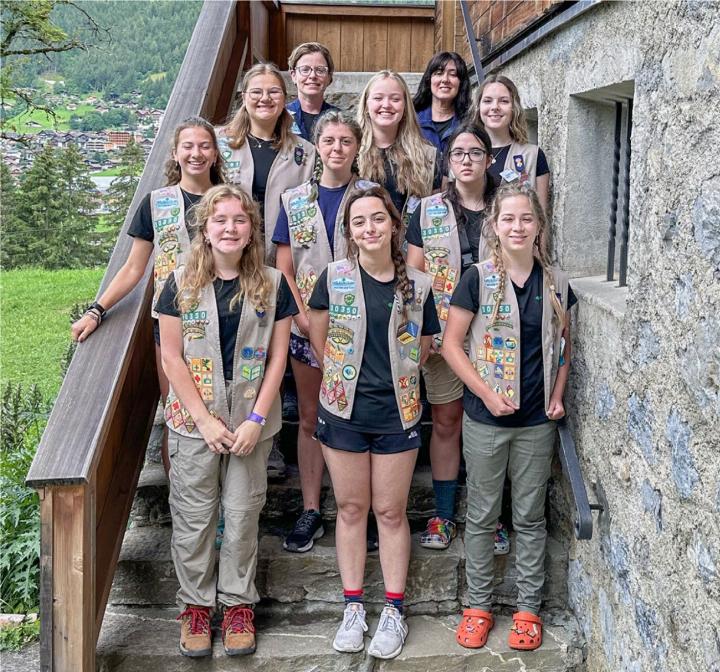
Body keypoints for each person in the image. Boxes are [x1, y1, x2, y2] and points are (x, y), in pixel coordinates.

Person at [156, 184, 297, 657]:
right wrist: (203, 421)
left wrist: (257, 418)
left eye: (239, 220)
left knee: (240, 516)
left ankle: (237, 604)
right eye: (220, 220)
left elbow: (279, 358)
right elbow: (172, 358)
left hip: (250, 427)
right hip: (194, 424)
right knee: (194, 519)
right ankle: (196, 606)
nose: (230, 228)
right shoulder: (179, 282)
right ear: (205, 228)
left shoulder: (273, 284)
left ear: (251, 228)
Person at [442, 183, 576, 652]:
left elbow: (563, 347)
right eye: (508, 219)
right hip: (485, 420)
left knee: (530, 517)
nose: (517, 227)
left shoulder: (556, 282)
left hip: (536, 423)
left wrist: (557, 395)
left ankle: (528, 609)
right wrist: (485, 393)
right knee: (481, 515)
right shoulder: (476, 278)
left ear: (539, 226)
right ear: (494, 227)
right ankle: (477, 606)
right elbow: (452, 346)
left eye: (526, 219)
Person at [308, 186, 440, 659]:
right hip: (343, 411)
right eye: (359, 221)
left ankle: (393, 609)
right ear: (349, 231)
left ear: (393, 225)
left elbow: (425, 345)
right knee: (350, 509)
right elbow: (319, 333)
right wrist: (339, 374)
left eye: (378, 219)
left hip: (397, 413)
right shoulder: (334, 276)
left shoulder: (419, 285)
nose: (369, 229)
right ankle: (352, 606)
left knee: (389, 511)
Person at [71, 116, 224, 475]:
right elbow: (133, 269)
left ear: (215, 153)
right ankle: (182, 502)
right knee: (177, 408)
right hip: (172, 323)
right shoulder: (156, 203)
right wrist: (97, 310)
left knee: (224, 405)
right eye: (188, 146)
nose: (196, 154)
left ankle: (218, 503)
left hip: (227, 320)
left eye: (204, 146)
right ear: (175, 153)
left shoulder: (229, 201)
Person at [272, 110, 362, 552]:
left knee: (356, 417)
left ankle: (355, 510)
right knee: (310, 417)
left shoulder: (370, 197)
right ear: (318, 147)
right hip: (306, 324)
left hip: (361, 328)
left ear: (356, 148)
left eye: (346, 141)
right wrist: (304, 318)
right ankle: (310, 509)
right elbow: (284, 266)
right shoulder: (295, 200)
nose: (337, 149)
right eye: (330, 141)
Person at [405, 123, 496, 552]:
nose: (466, 160)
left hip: (496, 339)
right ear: (448, 161)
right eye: (458, 153)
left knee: (489, 428)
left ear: (488, 159)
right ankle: (443, 515)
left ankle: (488, 516)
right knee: (446, 422)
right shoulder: (427, 210)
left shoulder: (507, 206)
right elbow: (413, 276)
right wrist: (427, 328)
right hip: (443, 339)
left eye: (475, 153)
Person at [217, 62, 316, 263]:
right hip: (225, 258)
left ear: (285, 99)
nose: (265, 98)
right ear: (244, 97)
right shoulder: (219, 143)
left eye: (273, 92)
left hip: (280, 260)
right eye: (256, 92)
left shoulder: (305, 152)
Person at [356, 70, 438, 220]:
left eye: (395, 99)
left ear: (405, 107)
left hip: (411, 242)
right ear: (366, 105)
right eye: (378, 98)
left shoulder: (429, 157)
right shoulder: (351, 155)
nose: (386, 105)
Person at [470, 74, 550, 212]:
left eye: (504, 101)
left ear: (514, 108)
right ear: (478, 107)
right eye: (488, 101)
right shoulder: (461, 154)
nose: (495, 107)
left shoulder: (532, 156)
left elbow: (541, 217)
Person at [412, 51, 472, 156]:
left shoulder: (470, 121)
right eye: (439, 73)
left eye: (453, 74)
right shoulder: (412, 120)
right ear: (429, 80)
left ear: (461, 83)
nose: (445, 80)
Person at [287, 42, 339, 142]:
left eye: (320, 70)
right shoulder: (281, 117)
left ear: (329, 77)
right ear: (293, 75)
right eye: (305, 69)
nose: (312, 76)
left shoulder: (340, 119)